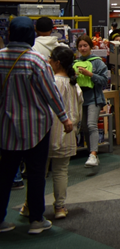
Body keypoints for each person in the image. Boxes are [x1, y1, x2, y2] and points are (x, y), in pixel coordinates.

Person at [0, 17, 73, 235]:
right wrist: (64, 118)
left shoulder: (0, 58)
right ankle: (36, 220)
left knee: (4, 176)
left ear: (10, 34)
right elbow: (50, 93)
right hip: (36, 128)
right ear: (31, 35)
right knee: (36, 174)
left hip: (5, 129)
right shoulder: (37, 61)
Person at [45, 46, 83, 219]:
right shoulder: (74, 85)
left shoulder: (51, 82)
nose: (49, 61)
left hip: (47, 131)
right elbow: (79, 111)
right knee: (61, 171)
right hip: (68, 133)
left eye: (51, 58)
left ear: (57, 62)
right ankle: (59, 207)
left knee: (38, 171)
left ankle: (29, 206)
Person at [74, 35, 110, 168]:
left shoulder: (98, 62)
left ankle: (93, 154)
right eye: (80, 46)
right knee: (84, 127)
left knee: (91, 125)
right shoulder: (75, 63)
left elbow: (104, 81)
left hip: (94, 99)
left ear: (91, 46)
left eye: (85, 45)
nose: (82, 48)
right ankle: (91, 153)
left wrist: (90, 75)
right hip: (80, 100)